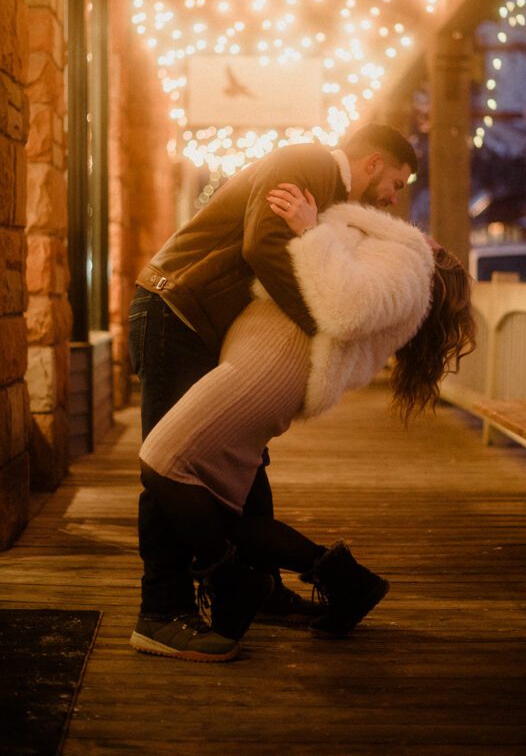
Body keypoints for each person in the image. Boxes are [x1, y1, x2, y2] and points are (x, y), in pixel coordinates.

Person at [131, 185, 476, 662]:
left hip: (271, 361)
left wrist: (311, 231)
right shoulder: (404, 261)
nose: (428, 237)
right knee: (220, 506)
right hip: (266, 354)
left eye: (438, 249)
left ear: (436, 266)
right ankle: (342, 581)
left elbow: (346, 305)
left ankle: (236, 584)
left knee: (163, 461)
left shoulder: (410, 264)